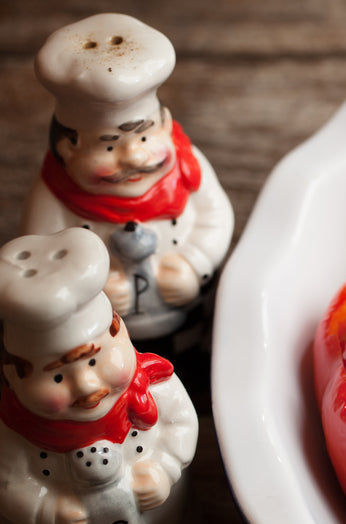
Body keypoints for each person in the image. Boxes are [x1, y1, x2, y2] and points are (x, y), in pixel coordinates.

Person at [0, 227, 199, 524]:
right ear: (14, 374)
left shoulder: (154, 384)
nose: (88, 385)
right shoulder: (14, 429)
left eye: (95, 359)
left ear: (120, 333)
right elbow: (9, 482)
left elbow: (180, 425)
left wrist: (164, 469)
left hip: (160, 515)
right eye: (57, 375)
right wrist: (50, 512)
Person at [20, 13, 234, 341]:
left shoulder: (188, 167)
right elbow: (40, 256)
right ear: (68, 150)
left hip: (190, 315)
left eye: (146, 137)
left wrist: (194, 262)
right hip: (101, 337)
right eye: (108, 147)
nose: (135, 157)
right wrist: (90, 288)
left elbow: (215, 215)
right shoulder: (52, 193)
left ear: (165, 123)